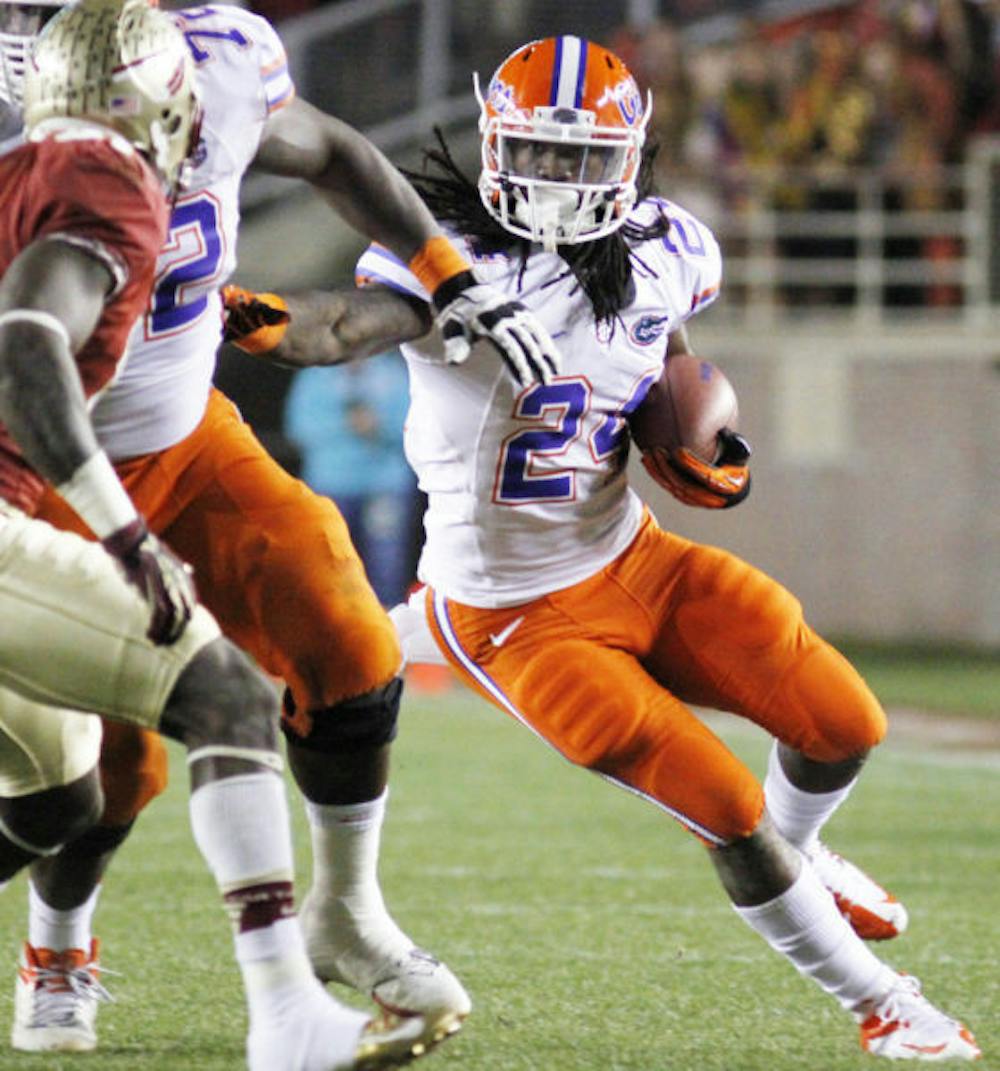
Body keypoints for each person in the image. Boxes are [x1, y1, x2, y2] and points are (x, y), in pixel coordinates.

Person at [247, 35, 982, 1062]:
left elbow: (664, 360)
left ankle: (806, 856)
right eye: (537, 154)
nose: (554, 180)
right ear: (494, 145)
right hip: (511, 615)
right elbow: (346, 325)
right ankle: (883, 1005)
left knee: (843, 723)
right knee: (727, 809)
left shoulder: (665, 246)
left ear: (631, 157)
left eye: (579, 158)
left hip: (633, 557)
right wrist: (261, 317)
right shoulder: (447, 260)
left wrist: (696, 440)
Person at [0, 0, 559, 1055]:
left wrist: (446, 273)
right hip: (40, 472)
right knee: (101, 772)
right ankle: (59, 943)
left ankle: (343, 913)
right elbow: (29, 349)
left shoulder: (211, 59)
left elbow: (332, 147)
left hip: (182, 428)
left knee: (347, 637)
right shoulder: (58, 137)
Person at [284, 352, 419, 608]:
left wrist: (379, 427)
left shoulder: (393, 373)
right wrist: (347, 426)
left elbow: (416, 428)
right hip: (332, 484)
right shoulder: (315, 376)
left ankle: (387, 629)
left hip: (384, 485)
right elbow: (298, 427)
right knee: (329, 562)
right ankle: (332, 625)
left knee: (386, 565)